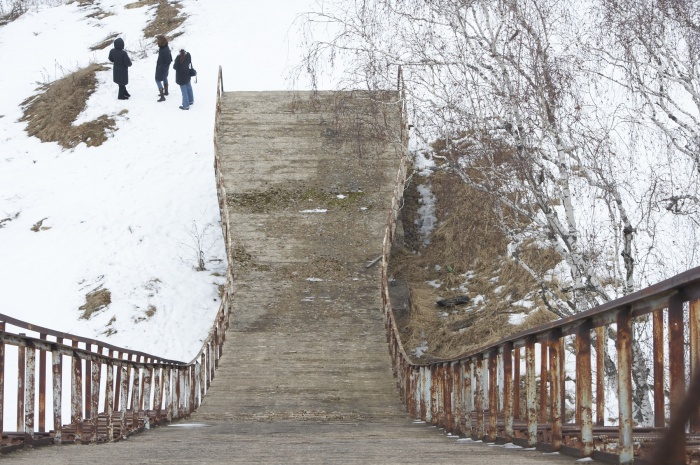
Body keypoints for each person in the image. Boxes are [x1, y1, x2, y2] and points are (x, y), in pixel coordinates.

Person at [155, 35, 172, 102]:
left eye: (157, 40)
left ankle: (162, 96)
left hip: (161, 68)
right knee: (165, 78)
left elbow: (169, 60)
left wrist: (163, 68)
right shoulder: (163, 47)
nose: (157, 41)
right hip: (163, 67)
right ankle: (166, 92)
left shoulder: (165, 50)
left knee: (157, 80)